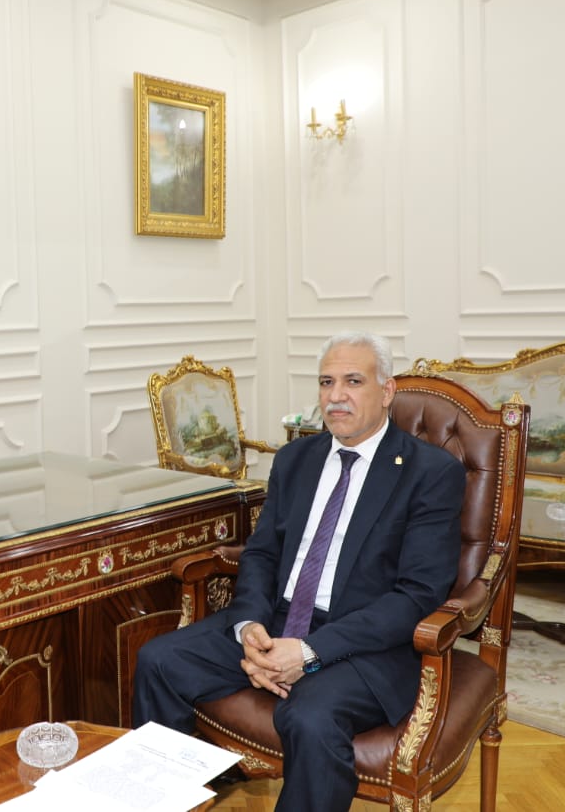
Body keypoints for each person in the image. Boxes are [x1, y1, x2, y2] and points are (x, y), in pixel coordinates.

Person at [132, 332, 466, 812]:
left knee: (309, 717)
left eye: (353, 381)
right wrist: (249, 626)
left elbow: (417, 595)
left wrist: (309, 651)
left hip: (364, 643)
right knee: (160, 661)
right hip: (278, 618)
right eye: (326, 382)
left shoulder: (429, 472)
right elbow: (262, 553)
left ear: (386, 391)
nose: (336, 396)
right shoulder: (295, 459)